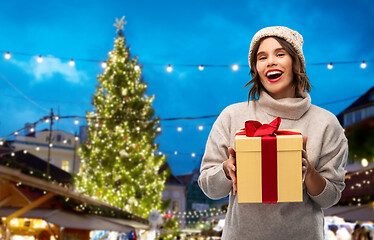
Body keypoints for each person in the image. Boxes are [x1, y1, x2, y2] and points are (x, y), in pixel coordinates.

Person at [198, 26, 348, 240]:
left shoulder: (326, 123)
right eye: (262, 57)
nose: (270, 62)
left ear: (296, 62)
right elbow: (208, 187)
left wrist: (309, 172)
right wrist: (226, 168)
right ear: (255, 68)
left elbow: (330, 198)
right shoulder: (232, 116)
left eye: (280, 54)